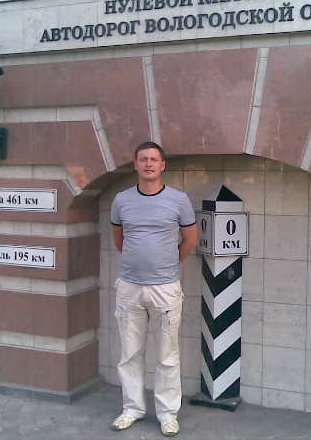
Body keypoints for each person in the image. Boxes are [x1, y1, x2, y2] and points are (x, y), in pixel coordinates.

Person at [110, 141, 197, 437]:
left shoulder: (179, 200)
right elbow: (120, 239)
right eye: (143, 159)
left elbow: (190, 241)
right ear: (135, 164)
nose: (148, 163)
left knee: (166, 355)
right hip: (129, 287)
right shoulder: (122, 200)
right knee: (129, 353)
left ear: (162, 165)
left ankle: (168, 413)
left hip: (165, 288)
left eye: (154, 159)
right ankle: (132, 409)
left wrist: (166, 265)